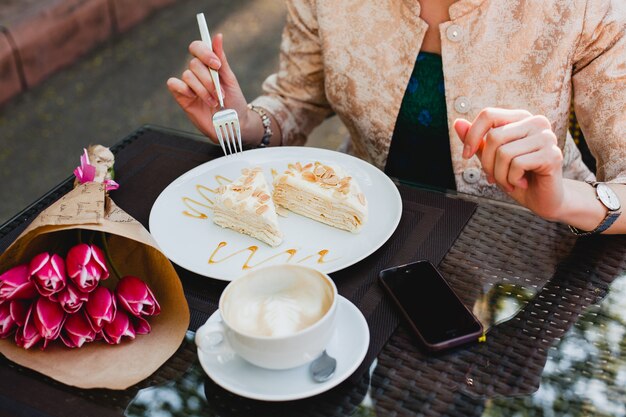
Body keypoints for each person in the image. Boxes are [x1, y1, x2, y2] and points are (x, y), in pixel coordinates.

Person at [167, 0, 626, 235]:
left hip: (532, 268)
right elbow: (296, 99)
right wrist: (244, 123)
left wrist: (563, 199)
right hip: (358, 237)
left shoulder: (585, 9)